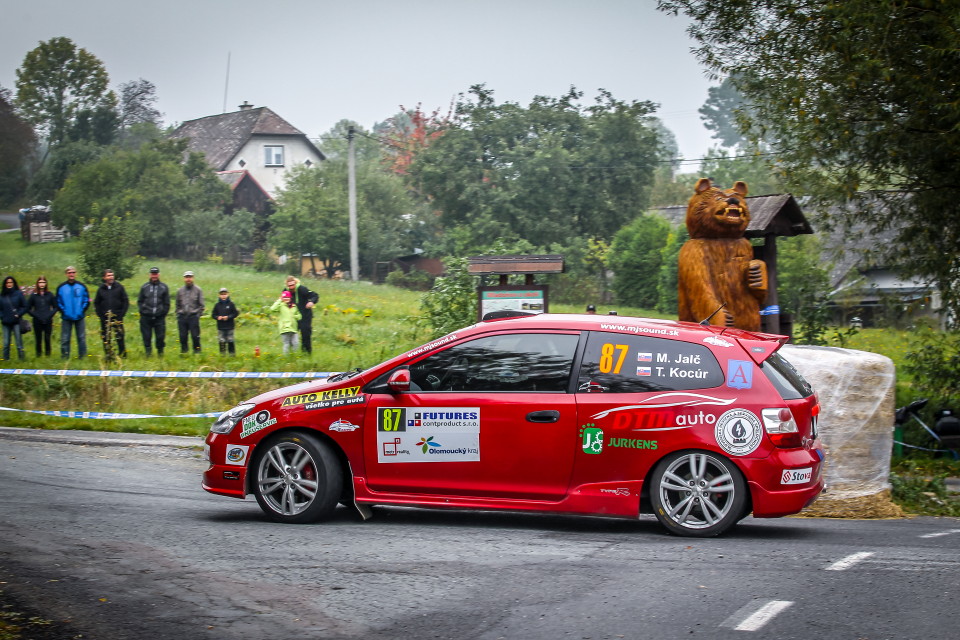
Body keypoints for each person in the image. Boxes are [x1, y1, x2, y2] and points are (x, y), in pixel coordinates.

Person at [55, 266, 90, 359]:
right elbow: (58, 301)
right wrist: (63, 311)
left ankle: (82, 356)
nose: (71, 274)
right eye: (69, 272)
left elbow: (86, 300)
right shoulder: (61, 287)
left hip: (79, 317)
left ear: (76, 274)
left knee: (81, 338)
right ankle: (65, 356)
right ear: (66, 274)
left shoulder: (81, 286)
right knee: (65, 338)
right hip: (66, 317)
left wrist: (82, 310)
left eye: (73, 272)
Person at [93, 269, 130, 357]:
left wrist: (121, 315)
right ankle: (109, 355)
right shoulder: (101, 289)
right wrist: (101, 316)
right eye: (109, 275)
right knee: (106, 337)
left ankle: (122, 354)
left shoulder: (119, 287)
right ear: (104, 277)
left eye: (112, 275)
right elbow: (96, 303)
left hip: (117, 317)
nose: (111, 277)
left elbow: (125, 301)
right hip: (105, 319)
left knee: (120, 336)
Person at [137, 266, 170, 356]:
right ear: (150, 275)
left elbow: (167, 303)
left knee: (160, 336)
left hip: (159, 317)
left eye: (156, 274)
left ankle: (160, 352)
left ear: (158, 275)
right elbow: (140, 301)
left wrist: (163, 313)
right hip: (146, 317)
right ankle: (148, 353)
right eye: (152, 274)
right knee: (146, 336)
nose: (154, 276)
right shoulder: (144, 287)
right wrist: (142, 311)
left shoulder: (164, 287)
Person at [284, 276, 319, 354]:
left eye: (293, 285)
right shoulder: (286, 291)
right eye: (289, 285)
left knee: (305, 334)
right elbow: (281, 301)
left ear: (295, 283)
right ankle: (291, 353)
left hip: (305, 315)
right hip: (293, 317)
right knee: (290, 335)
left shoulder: (302, 289)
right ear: (287, 285)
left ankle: (306, 353)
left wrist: (311, 302)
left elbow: (315, 295)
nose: (291, 287)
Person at [27, 275, 58, 357]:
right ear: (37, 283)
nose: (42, 284)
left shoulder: (50, 294)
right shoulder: (33, 295)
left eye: (43, 282)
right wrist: (35, 315)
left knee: (47, 338)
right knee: (38, 339)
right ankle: (38, 355)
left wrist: (49, 315)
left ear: (46, 283)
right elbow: (28, 308)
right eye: (40, 282)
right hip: (37, 320)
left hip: (48, 320)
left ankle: (48, 355)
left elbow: (56, 307)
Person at [176, 270, 204, 353]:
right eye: (187, 277)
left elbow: (201, 305)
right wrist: (178, 313)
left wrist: (197, 315)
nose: (188, 279)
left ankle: (197, 352)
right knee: (183, 336)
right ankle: (184, 352)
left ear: (193, 278)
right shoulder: (180, 291)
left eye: (190, 277)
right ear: (184, 279)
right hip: (182, 317)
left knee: (195, 336)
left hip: (193, 316)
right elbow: (177, 304)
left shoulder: (198, 290)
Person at [0, 276, 27, 360]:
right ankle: (6, 359)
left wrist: (18, 314)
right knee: (6, 343)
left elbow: (25, 306)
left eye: (11, 282)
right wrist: (2, 316)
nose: (9, 284)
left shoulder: (18, 293)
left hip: (16, 321)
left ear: (14, 283)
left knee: (19, 342)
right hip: (5, 322)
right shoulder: (2, 295)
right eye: (7, 283)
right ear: (5, 284)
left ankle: (22, 359)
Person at [270, 290, 302, 355]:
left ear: (290, 298)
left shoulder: (294, 306)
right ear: (282, 298)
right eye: (284, 298)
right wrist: (279, 300)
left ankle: (294, 355)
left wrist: (295, 316)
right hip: (284, 328)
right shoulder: (281, 306)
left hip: (293, 328)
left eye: (287, 297)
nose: (286, 299)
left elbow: (299, 316)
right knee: (286, 343)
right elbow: (272, 309)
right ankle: (286, 357)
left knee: (296, 343)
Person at [211, 287, 239, 355]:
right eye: (222, 294)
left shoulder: (231, 304)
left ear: (228, 294)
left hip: (230, 326)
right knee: (221, 340)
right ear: (219, 295)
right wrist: (218, 317)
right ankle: (222, 355)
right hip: (220, 326)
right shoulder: (217, 305)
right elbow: (213, 315)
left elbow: (235, 313)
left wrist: (228, 317)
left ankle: (232, 354)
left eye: (225, 294)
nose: (223, 295)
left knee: (230, 340)